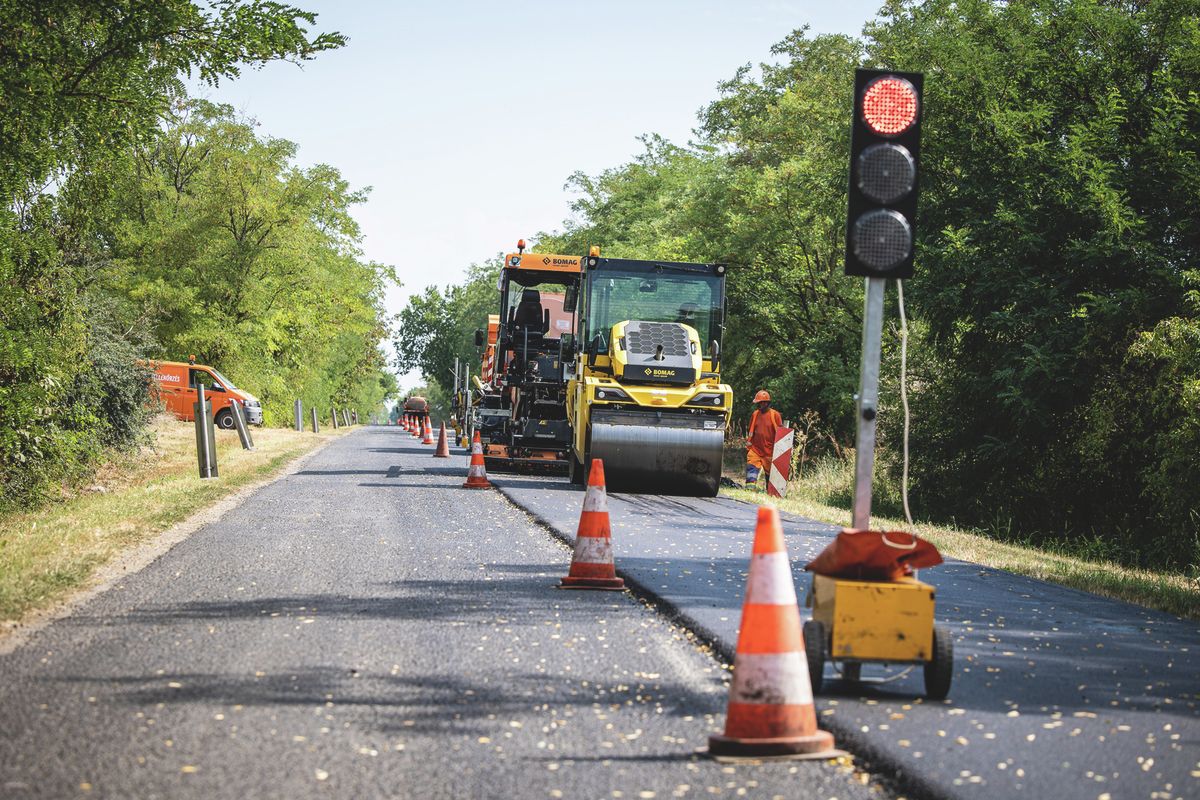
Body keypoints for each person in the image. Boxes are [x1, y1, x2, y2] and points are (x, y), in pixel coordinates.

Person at [745, 390, 782, 489]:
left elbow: (781, 434)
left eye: (761, 403)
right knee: (751, 469)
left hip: (770, 452)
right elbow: (751, 431)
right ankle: (750, 489)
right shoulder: (755, 414)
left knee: (770, 476)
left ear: (766, 403)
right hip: (755, 449)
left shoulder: (775, 415)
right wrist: (749, 445)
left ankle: (770, 492)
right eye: (758, 403)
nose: (759, 405)